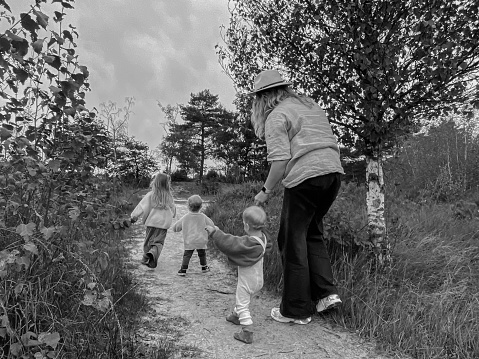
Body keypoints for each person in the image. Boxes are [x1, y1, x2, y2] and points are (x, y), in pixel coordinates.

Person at [249, 69, 345, 324]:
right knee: (312, 233)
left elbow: (280, 161)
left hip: (306, 177)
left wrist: (264, 193)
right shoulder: (309, 104)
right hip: (333, 173)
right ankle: (327, 295)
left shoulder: (276, 116)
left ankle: (296, 310)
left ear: (263, 97)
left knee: (291, 241)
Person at [205, 206, 272, 344]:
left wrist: (215, 233)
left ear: (246, 226)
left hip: (247, 281)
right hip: (258, 280)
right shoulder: (263, 240)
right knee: (244, 299)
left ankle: (247, 331)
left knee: (242, 304)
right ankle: (236, 316)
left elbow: (232, 243)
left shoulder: (248, 244)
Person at [130, 172, 176, 268]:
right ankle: (152, 255)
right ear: (167, 184)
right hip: (163, 224)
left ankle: (146, 256)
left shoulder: (150, 195)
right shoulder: (169, 196)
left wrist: (134, 216)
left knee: (148, 241)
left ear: (155, 183)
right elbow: (173, 209)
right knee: (158, 243)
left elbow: (141, 206)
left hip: (152, 222)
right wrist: (174, 214)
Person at [172, 194, 214, 276]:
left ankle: (183, 269)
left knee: (187, 255)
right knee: (202, 253)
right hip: (201, 240)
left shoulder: (186, 217)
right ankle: (204, 267)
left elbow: (176, 227)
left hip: (189, 240)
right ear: (201, 206)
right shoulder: (203, 216)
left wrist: (175, 229)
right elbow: (211, 225)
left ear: (188, 206)